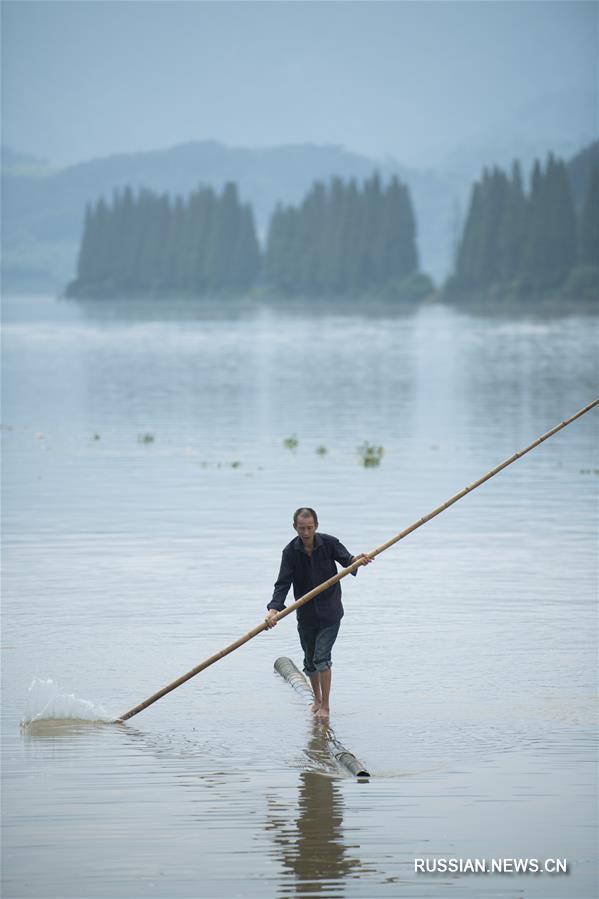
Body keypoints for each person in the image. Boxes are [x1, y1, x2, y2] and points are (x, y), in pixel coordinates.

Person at [265, 507, 372, 718]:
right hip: (305, 614)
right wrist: (273, 610)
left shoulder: (329, 543)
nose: (306, 533)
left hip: (330, 612)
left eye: (310, 528)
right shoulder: (290, 552)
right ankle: (317, 700)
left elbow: (347, 560)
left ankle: (326, 707)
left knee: (322, 658)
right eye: (301, 528)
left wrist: (356, 561)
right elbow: (283, 584)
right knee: (310, 662)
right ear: (294, 527)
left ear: (316, 526)